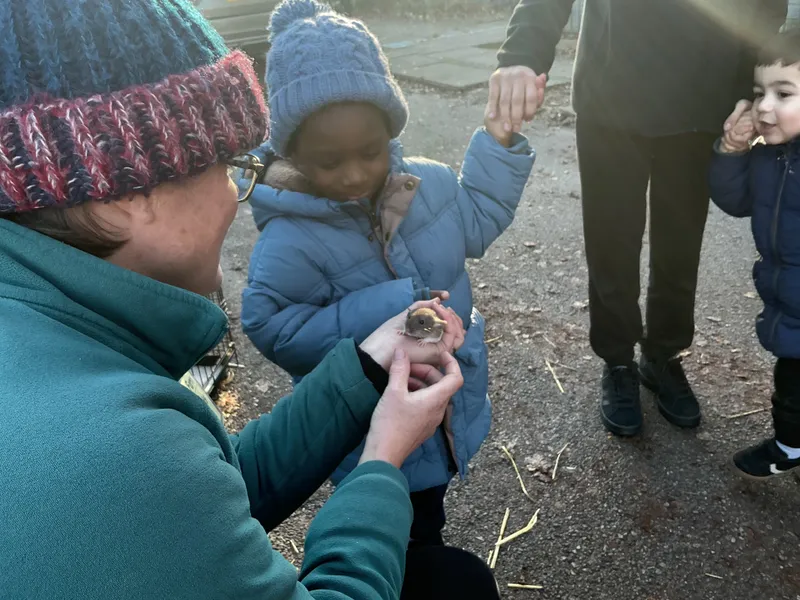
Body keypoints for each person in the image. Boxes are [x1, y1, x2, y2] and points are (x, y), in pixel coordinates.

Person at [0, 1, 502, 598]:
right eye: (230, 165)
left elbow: (215, 480)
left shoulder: (48, 345)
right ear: (121, 191)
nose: (236, 197)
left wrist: (365, 363)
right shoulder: (119, 455)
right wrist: (382, 460)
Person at [240, 0, 537, 547]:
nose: (354, 174)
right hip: (370, 429)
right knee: (396, 528)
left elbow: (479, 217)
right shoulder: (288, 238)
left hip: (444, 402)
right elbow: (270, 325)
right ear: (294, 150)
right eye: (329, 161)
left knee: (430, 507)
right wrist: (389, 312)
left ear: (390, 132)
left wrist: (498, 142)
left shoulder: (429, 185)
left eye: (370, 151)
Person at [489, 0, 788, 437]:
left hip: (702, 95)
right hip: (613, 90)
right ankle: (617, 359)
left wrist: (750, 82)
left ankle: (662, 355)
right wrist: (521, 54)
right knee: (611, 240)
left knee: (681, 246)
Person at [709, 28, 800, 480]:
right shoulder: (769, 158)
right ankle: (791, 445)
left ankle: (790, 447)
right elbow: (736, 200)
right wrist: (732, 150)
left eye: (783, 93)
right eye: (759, 92)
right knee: (792, 386)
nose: (764, 106)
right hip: (790, 304)